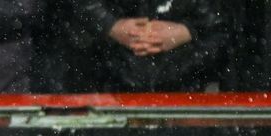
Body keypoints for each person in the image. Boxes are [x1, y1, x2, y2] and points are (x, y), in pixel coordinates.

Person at [62, 0, 229, 92]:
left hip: (187, 82)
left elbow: (225, 25)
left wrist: (186, 31)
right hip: (106, 78)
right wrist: (110, 25)